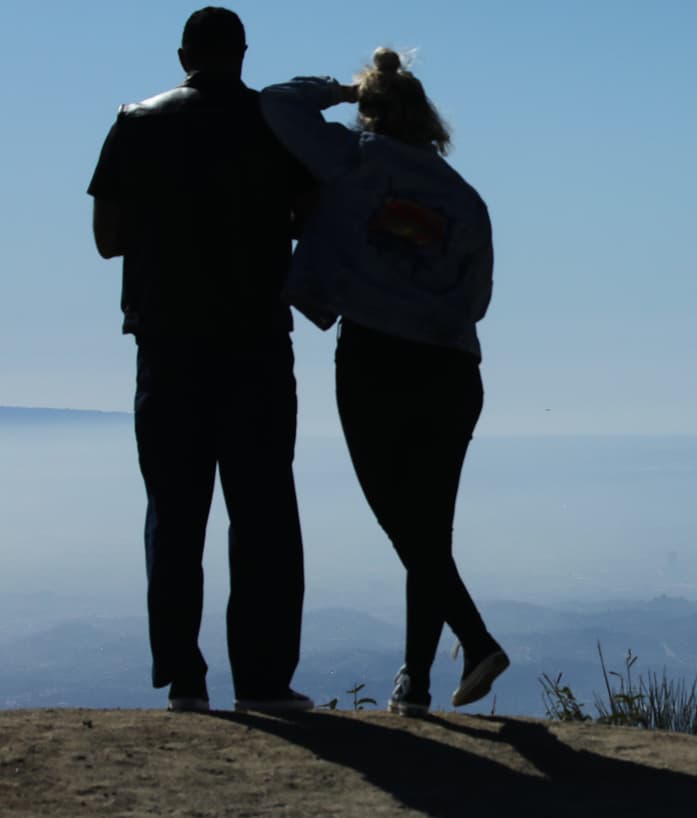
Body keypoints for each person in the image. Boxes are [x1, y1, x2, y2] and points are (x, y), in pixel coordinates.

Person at [259, 48, 507, 716]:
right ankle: (417, 685)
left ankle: (477, 640)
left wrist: (344, 89)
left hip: (376, 358)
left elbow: (276, 103)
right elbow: (477, 300)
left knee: (404, 525)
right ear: (426, 118)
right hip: (453, 366)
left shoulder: (352, 158)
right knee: (429, 527)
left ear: (372, 112)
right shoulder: (465, 199)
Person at [87, 7, 313, 713]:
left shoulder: (136, 121)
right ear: (243, 55)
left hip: (168, 345)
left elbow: (106, 237)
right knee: (264, 512)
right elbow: (310, 219)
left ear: (183, 53)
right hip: (255, 346)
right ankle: (265, 682)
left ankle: (185, 680)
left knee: (175, 513)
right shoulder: (277, 127)